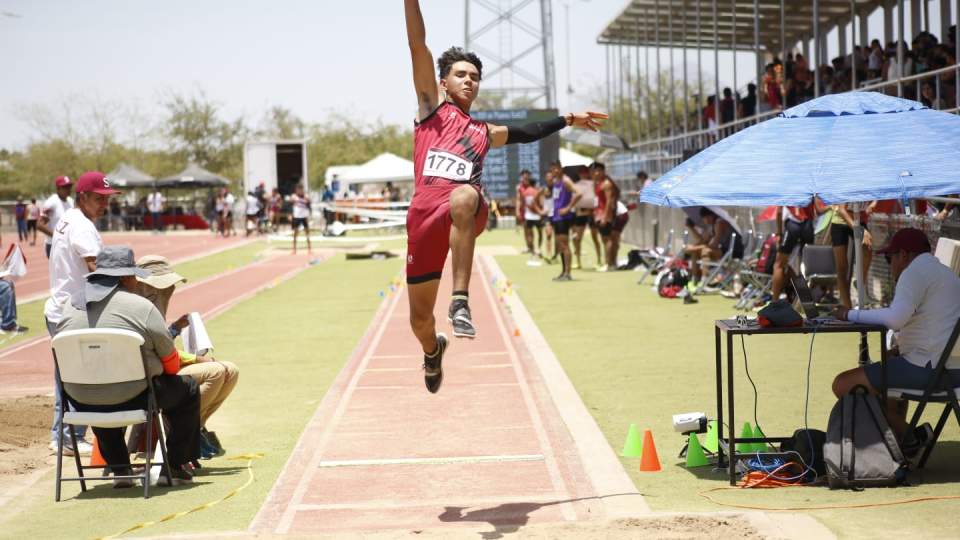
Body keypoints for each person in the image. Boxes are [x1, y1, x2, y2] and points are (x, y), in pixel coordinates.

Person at [403, 0, 606, 393]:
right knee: (419, 321)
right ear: (442, 82)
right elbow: (417, 45)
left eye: (475, 76)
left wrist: (568, 119)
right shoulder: (430, 110)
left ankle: (460, 301)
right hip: (424, 217)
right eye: (460, 74)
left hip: (464, 208)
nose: (469, 81)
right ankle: (432, 351)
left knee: (463, 196)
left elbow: (529, 131)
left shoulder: (484, 132)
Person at [57, 246, 200, 485]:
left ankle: (120, 469)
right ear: (124, 278)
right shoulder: (141, 308)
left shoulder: (69, 307)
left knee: (98, 388)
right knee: (188, 389)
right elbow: (172, 364)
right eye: (133, 275)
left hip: (80, 399)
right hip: (138, 395)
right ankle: (173, 466)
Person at [831, 228, 960, 453]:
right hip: (952, 368)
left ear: (903, 255)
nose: (890, 266)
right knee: (887, 369)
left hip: (934, 372)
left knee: (842, 384)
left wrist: (848, 314)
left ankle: (912, 435)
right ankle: (905, 440)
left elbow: (894, 319)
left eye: (890, 258)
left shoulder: (915, 272)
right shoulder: (945, 273)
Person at [136, 255, 239, 458]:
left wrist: (174, 329)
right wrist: (196, 359)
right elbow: (161, 352)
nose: (170, 289)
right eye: (166, 285)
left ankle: (196, 428)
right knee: (216, 371)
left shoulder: (152, 301)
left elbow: (159, 343)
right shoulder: (139, 306)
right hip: (153, 376)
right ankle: (186, 431)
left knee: (231, 370)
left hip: (161, 367)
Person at [44, 171, 117, 457]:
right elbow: (94, 267)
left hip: (63, 309)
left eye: (107, 199)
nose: (104, 205)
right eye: (99, 199)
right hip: (72, 312)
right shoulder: (83, 226)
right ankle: (68, 437)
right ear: (83, 196)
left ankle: (63, 436)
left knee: (68, 376)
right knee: (78, 376)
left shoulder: (70, 218)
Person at [683, 207, 744, 289]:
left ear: (713, 215)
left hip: (733, 252)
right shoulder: (711, 225)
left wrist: (695, 247)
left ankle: (704, 281)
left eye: (708, 217)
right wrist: (691, 228)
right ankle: (694, 280)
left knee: (705, 251)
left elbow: (714, 244)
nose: (706, 220)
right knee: (695, 252)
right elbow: (703, 240)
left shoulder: (719, 223)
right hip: (722, 251)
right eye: (704, 218)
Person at [770, 202, 819, 302]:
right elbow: (818, 210)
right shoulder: (810, 186)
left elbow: (779, 212)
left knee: (779, 264)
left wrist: (779, 233)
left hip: (792, 225)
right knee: (806, 266)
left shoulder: (787, 187)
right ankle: (805, 301)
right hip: (808, 225)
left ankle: (774, 302)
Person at [829, 204, 874, 309]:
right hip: (840, 222)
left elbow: (877, 197)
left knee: (868, 246)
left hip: (859, 220)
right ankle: (847, 305)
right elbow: (841, 210)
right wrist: (859, 230)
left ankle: (860, 282)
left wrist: (872, 204)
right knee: (842, 268)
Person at [547, 162, 581, 281]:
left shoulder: (566, 181)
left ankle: (568, 273)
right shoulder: (556, 181)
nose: (554, 172)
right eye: (552, 170)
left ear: (561, 169)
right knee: (560, 245)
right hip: (557, 217)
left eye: (556, 169)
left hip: (563, 218)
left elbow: (579, 193)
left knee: (565, 245)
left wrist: (567, 208)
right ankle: (563, 272)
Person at [594, 163, 626, 271]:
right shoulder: (600, 183)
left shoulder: (607, 183)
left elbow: (609, 201)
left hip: (614, 215)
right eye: (595, 171)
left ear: (603, 171)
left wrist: (605, 216)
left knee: (609, 239)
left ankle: (609, 263)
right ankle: (612, 263)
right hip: (609, 214)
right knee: (610, 239)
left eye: (599, 170)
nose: (596, 173)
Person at [572, 165, 602, 269]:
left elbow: (596, 198)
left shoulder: (593, 184)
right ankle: (578, 261)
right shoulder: (575, 185)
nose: (583, 174)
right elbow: (574, 201)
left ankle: (599, 259)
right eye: (581, 173)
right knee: (577, 238)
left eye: (585, 172)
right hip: (580, 214)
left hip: (592, 213)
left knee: (595, 238)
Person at [38, 175, 75, 258]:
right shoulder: (51, 203)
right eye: (65, 187)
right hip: (54, 245)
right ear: (58, 188)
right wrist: (58, 236)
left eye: (69, 186)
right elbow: (40, 225)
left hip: (68, 244)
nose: (68, 189)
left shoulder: (71, 201)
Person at [515, 171, 543, 256]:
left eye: (527, 177)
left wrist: (540, 210)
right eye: (524, 177)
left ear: (529, 178)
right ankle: (529, 247)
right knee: (526, 230)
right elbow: (518, 199)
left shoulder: (535, 187)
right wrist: (517, 211)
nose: (525, 179)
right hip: (524, 211)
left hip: (535, 211)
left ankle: (535, 248)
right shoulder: (519, 187)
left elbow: (539, 199)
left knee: (533, 231)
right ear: (522, 178)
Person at [289, 183, 312, 254]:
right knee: (295, 233)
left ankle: (309, 249)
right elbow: (290, 201)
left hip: (304, 217)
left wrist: (305, 198)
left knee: (307, 233)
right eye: (298, 190)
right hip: (296, 217)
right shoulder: (294, 196)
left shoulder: (305, 196)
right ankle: (294, 249)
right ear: (296, 190)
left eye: (301, 189)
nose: (299, 191)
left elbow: (309, 201)